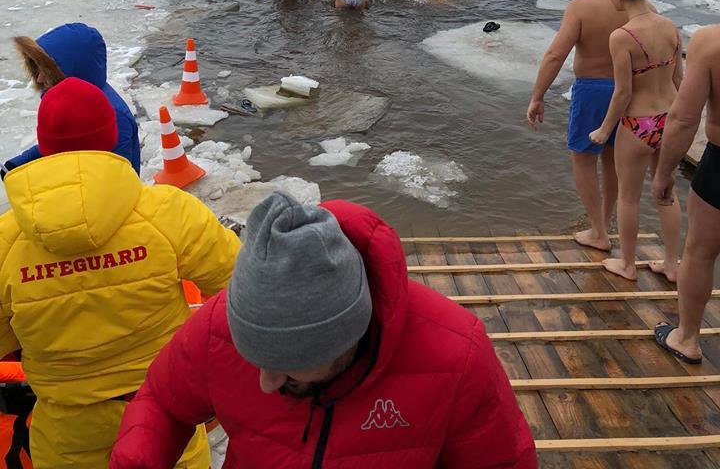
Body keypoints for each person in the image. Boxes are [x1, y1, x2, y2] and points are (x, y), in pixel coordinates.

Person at [110, 191, 537, 469]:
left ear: (346, 339)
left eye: (290, 370)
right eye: (255, 357)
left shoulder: (454, 355)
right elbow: (162, 402)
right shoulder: (222, 326)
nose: (265, 382)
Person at [0, 77, 240, 469]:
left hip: (65, 434)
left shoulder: (7, 239)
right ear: (112, 136)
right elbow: (244, 295)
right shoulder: (167, 211)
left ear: (43, 145)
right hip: (167, 421)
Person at [588, 0, 683, 281]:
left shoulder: (622, 36)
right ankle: (672, 264)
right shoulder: (670, 26)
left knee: (628, 197)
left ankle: (627, 265)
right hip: (670, 118)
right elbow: (678, 80)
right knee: (666, 192)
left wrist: (603, 130)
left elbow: (623, 93)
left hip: (638, 123)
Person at [527, 0, 626, 252]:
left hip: (592, 90)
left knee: (583, 160)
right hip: (628, 91)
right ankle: (605, 223)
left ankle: (598, 232)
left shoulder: (582, 6)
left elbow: (556, 54)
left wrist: (537, 96)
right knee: (613, 161)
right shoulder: (634, 4)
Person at [652, 25, 720, 364]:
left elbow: (682, 118)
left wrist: (664, 174)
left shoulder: (711, 41)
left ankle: (687, 337)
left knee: (700, 252)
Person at [2, 23, 141, 178]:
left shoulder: (113, 116)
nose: (40, 78)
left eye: (46, 71)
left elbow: (116, 181)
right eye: (37, 68)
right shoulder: (74, 101)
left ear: (69, 71)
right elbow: (62, 143)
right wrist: (18, 163)